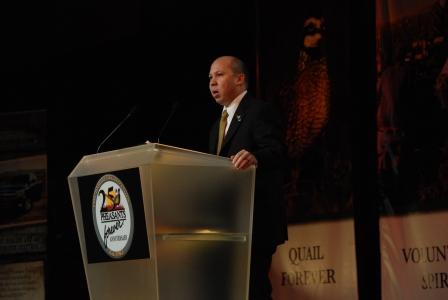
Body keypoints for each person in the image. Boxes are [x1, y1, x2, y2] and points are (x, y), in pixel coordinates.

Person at [208, 55, 288, 300]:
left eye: (219, 75)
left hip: (255, 222)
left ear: (240, 79)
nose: (212, 82)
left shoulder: (259, 111)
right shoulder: (215, 127)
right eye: (210, 77)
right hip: (227, 224)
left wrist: (256, 157)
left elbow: (279, 151)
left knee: (254, 291)